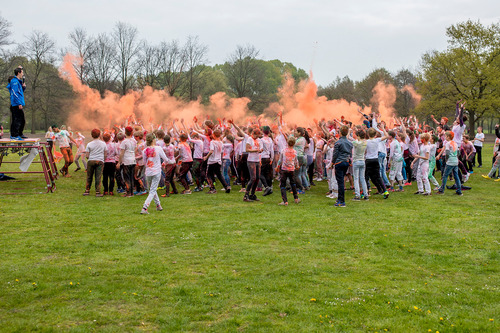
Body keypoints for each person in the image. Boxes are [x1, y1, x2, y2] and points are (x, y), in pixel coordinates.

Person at [141, 133, 168, 214]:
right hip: (156, 171)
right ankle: (145, 208)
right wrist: (164, 163)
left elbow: (144, 162)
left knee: (152, 189)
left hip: (148, 172)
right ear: (153, 140)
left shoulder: (144, 150)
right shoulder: (158, 148)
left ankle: (158, 205)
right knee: (152, 190)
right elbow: (165, 159)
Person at [331, 125, 353, 207]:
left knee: (340, 182)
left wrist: (332, 163)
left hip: (339, 163)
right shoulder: (349, 143)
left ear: (340, 133)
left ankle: (341, 201)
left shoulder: (338, 143)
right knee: (341, 180)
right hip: (346, 162)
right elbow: (350, 154)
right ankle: (340, 198)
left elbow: (335, 154)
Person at [436, 131, 463, 196]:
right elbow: (459, 153)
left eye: (445, 136)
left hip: (450, 162)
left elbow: (447, 153)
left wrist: (446, 160)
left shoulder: (448, 144)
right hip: (455, 162)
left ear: (448, 137)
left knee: (445, 176)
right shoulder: (455, 143)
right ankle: (459, 191)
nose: (445, 137)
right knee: (456, 176)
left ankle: (441, 190)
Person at [276, 136, 300, 206]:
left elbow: (280, 160)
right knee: (293, 184)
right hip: (291, 170)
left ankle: (285, 201)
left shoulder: (283, 150)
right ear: (294, 143)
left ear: (287, 142)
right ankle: (296, 198)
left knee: (283, 185)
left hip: (284, 169)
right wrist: (297, 166)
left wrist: (277, 167)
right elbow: (296, 161)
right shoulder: (295, 152)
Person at [83, 129, 107, 197]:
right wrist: (103, 160)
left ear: (92, 135)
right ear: (99, 135)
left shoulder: (89, 144)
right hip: (100, 161)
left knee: (89, 176)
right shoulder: (103, 143)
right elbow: (105, 154)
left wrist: (90, 158)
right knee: (98, 177)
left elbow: (87, 155)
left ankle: (87, 190)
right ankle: (98, 192)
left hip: (91, 161)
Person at [6, 67, 26, 140]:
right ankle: (14, 135)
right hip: (16, 104)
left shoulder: (17, 81)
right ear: (19, 73)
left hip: (18, 103)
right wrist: (19, 103)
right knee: (17, 120)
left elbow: (20, 92)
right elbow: (15, 93)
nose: (22, 74)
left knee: (22, 120)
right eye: (22, 72)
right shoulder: (14, 81)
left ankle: (19, 134)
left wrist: (23, 87)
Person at [117, 126, 137, 197]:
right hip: (133, 160)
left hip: (126, 160)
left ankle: (128, 193)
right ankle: (131, 192)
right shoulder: (134, 141)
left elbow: (122, 152)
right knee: (131, 177)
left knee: (127, 177)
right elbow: (135, 149)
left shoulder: (124, 142)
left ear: (125, 132)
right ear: (132, 132)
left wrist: (119, 162)